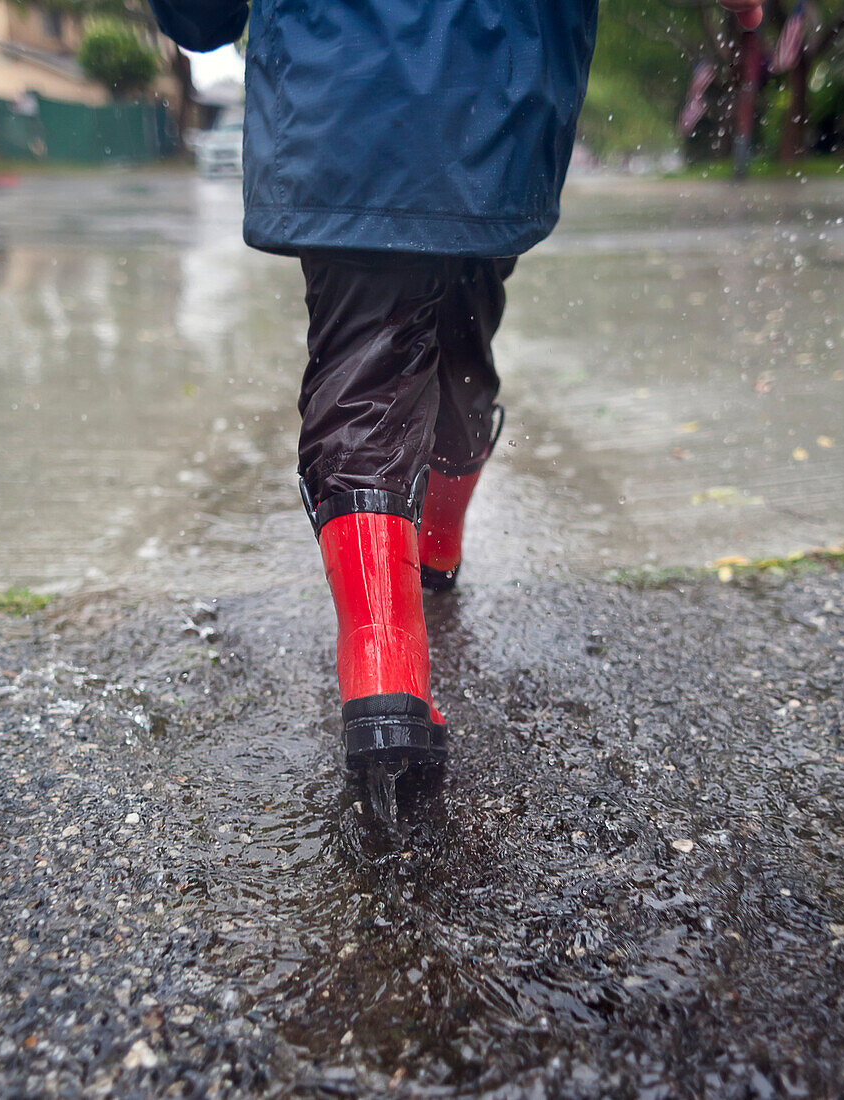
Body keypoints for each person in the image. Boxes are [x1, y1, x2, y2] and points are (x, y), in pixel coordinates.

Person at [148, 0, 764, 773]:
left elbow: (199, 20)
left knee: (366, 351)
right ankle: (434, 551)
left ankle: (383, 663)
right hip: (504, 81)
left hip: (342, 70)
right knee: (465, 329)